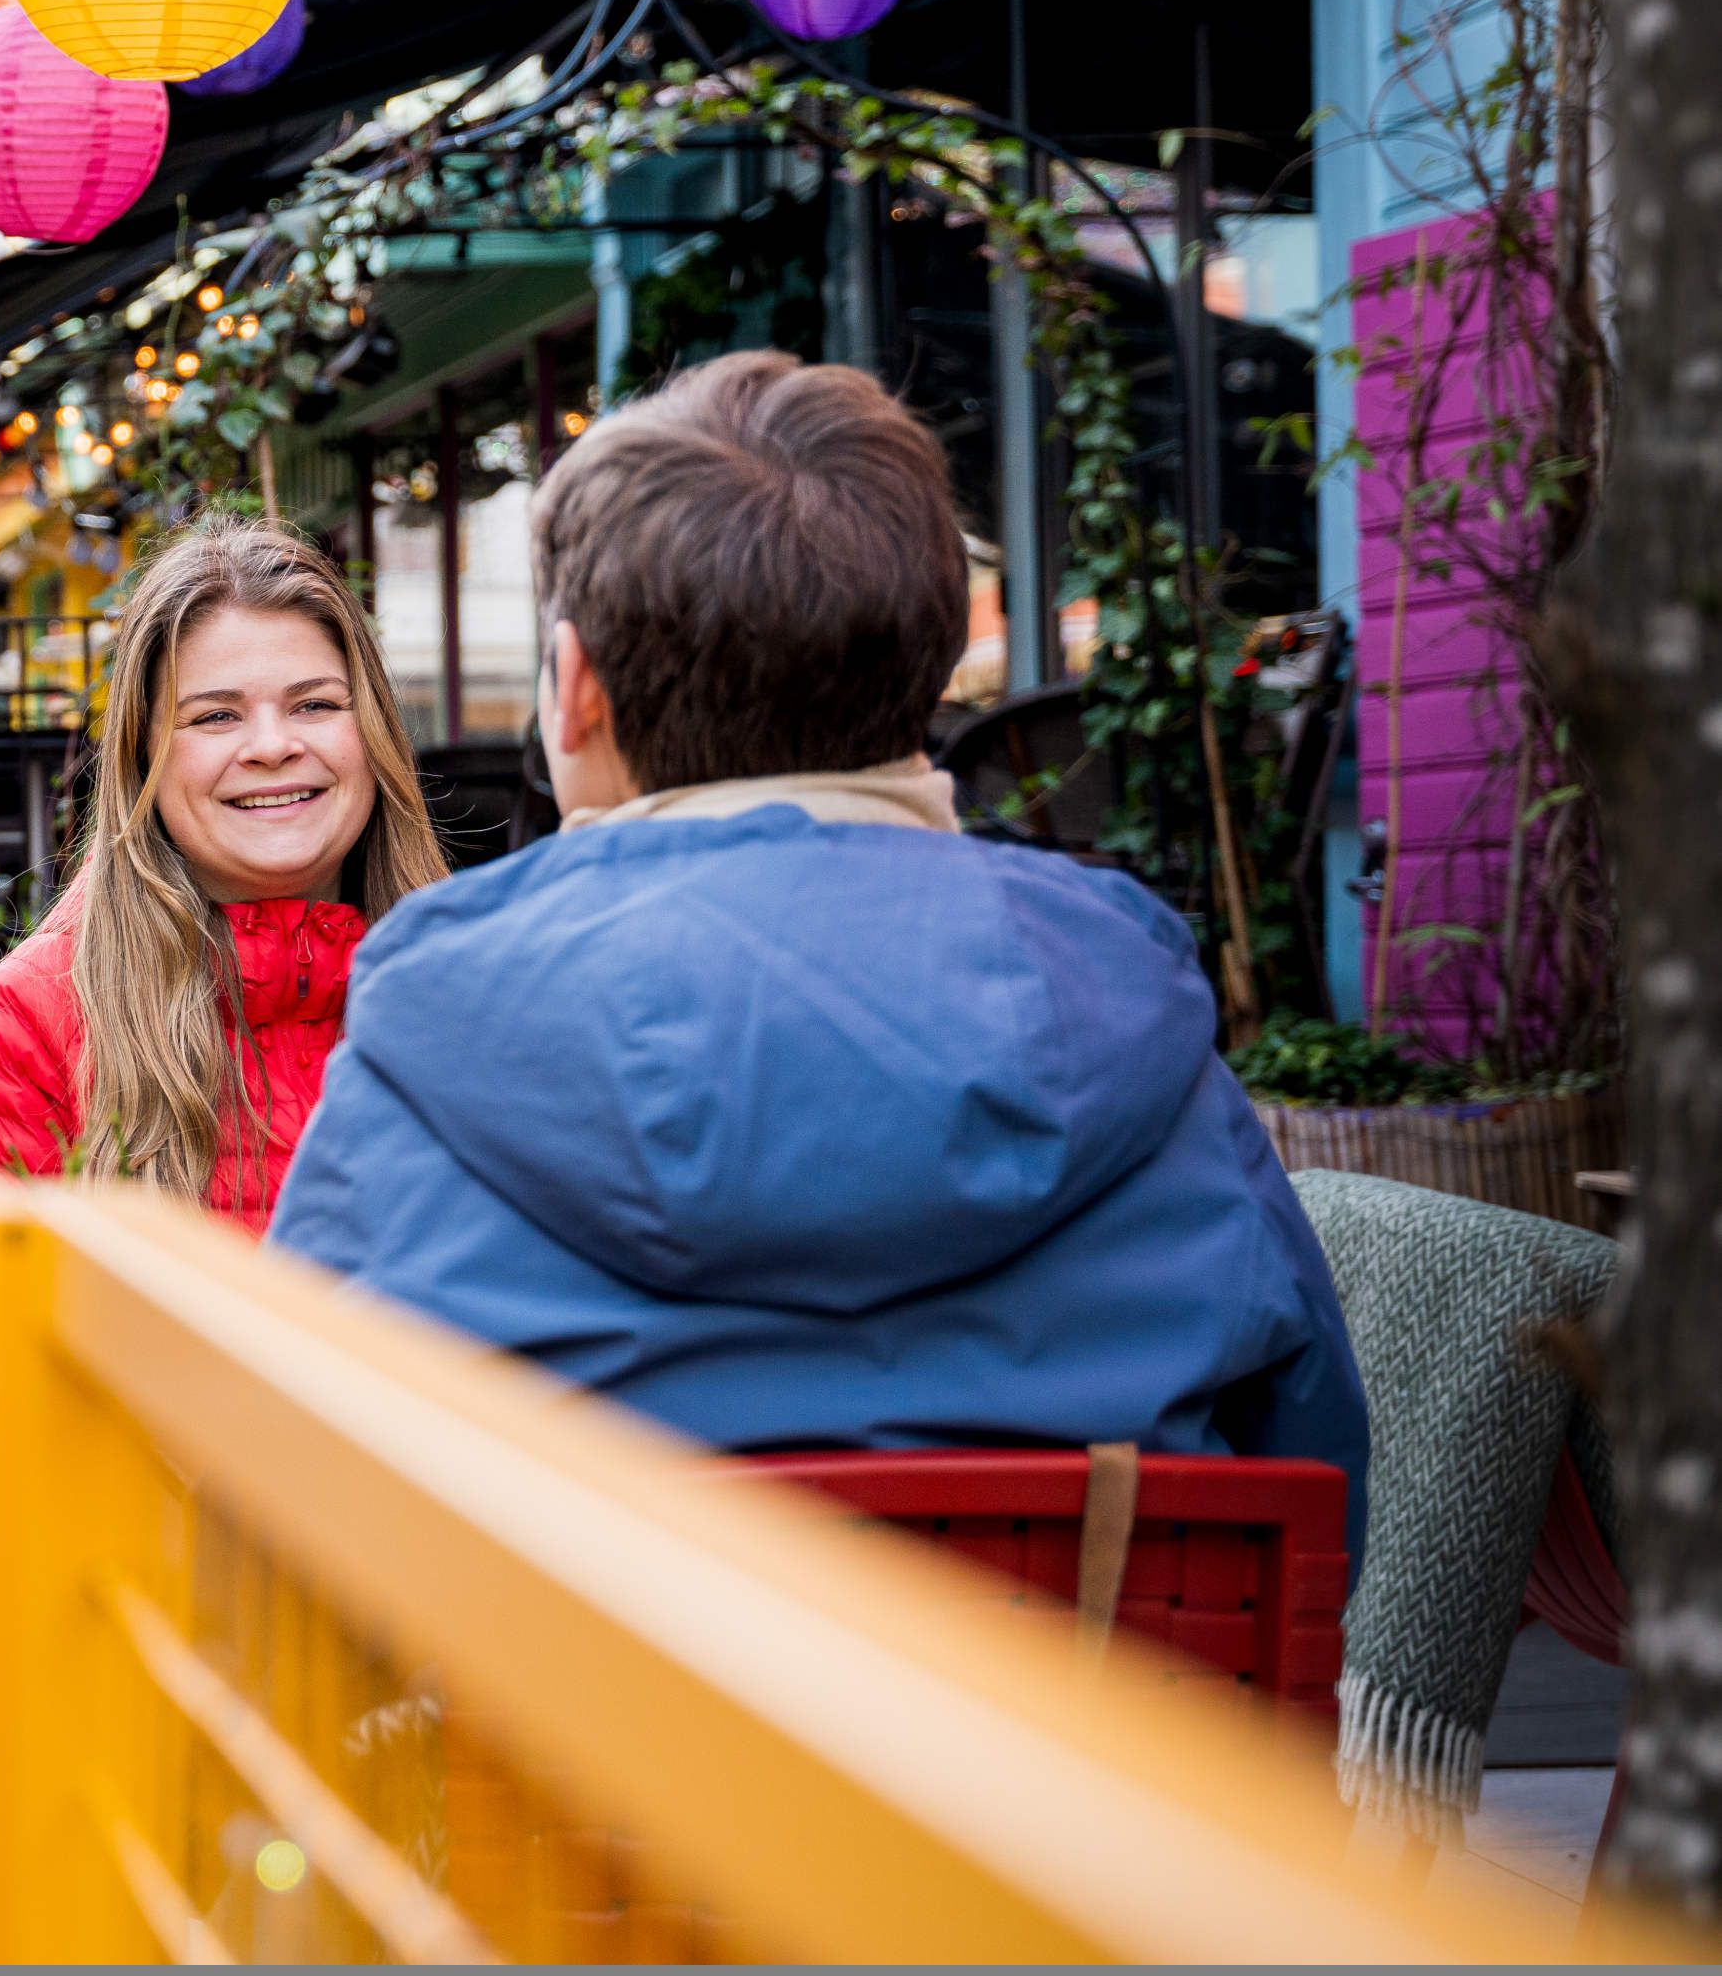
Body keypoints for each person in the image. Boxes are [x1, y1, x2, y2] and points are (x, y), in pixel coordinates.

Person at [267, 353, 1367, 1515]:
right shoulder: (1127, 1008)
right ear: (929, 667)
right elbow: (1317, 1496)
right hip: (1077, 1685)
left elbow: (280, 1493)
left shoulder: (435, 1026)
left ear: (574, 686)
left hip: (572, 1694)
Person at [0, 515, 450, 1229]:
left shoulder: (468, 989)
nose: (272, 745)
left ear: (374, 731)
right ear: (144, 759)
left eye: (314, 704)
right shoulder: (30, 1028)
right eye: (216, 716)